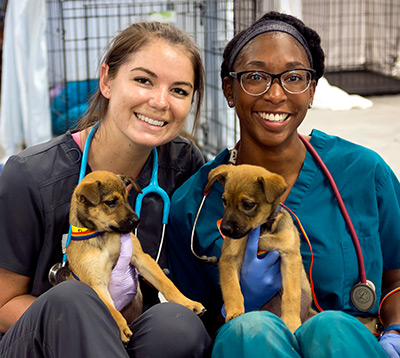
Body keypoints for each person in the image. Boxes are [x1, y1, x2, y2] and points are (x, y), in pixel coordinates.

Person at [167, 11, 400, 357]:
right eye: (256, 76)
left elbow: (396, 282)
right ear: (230, 90)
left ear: (311, 91)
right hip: (251, 348)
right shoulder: (192, 205)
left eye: (294, 77)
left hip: (349, 345)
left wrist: (395, 333)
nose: (276, 94)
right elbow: (192, 322)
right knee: (251, 330)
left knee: (332, 327)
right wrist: (231, 311)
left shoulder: (364, 173)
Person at [0, 22, 212, 357]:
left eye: (180, 91)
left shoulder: (184, 165)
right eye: (143, 80)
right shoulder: (29, 175)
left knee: (177, 325)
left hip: (130, 332)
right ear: (107, 80)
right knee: (74, 299)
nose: (160, 101)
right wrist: (90, 324)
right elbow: (3, 304)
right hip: (45, 343)